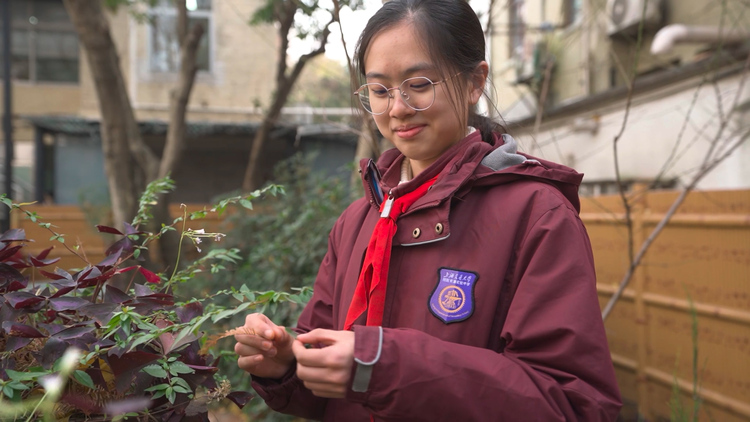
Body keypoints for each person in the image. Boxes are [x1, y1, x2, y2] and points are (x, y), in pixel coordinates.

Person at [234, 0, 622, 420]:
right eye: (380, 90)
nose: (397, 108)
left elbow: (572, 405)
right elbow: (328, 376)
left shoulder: (536, 216)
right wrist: (288, 365)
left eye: (418, 84)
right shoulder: (358, 221)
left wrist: (382, 366)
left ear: (475, 82)